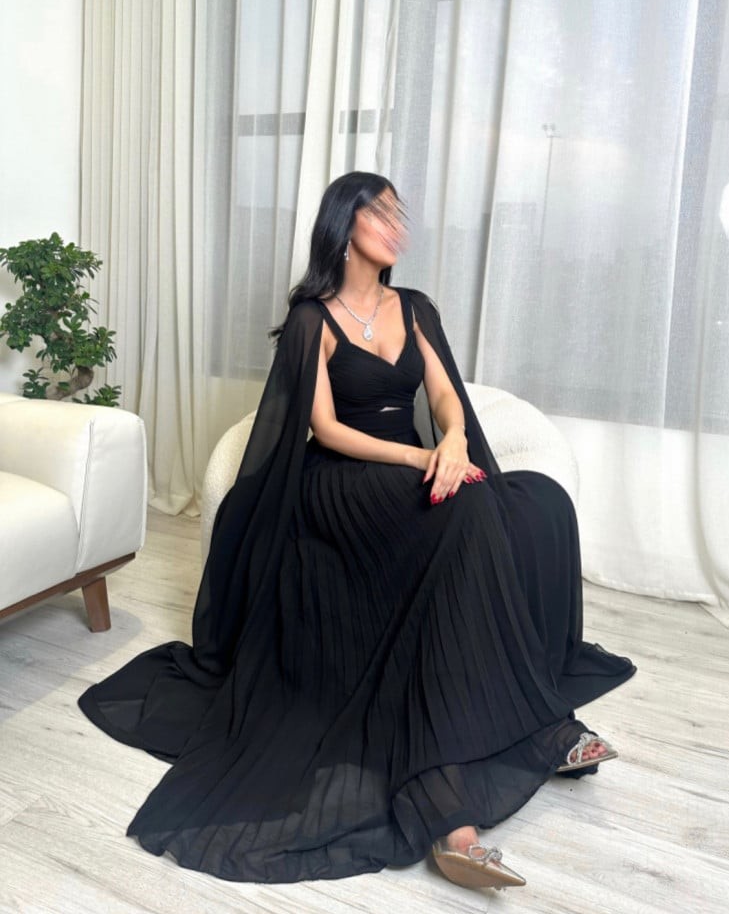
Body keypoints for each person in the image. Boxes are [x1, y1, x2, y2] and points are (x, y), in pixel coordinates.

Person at [79, 171, 635, 891]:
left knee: (541, 505)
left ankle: (500, 756)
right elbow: (324, 427)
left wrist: (453, 439)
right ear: (344, 226)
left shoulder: (415, 307)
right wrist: (416, 456)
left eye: (401, 214)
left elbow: (444, 394)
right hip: (340, 478)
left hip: (412, 468)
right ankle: (542, 734)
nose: (397, 226)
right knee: (464, 512)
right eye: (381, 213)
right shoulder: (312, 319)